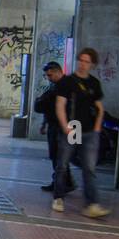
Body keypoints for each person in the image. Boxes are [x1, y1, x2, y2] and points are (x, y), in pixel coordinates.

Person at [52, 47, 110, 218]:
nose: (83, 64)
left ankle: (91, 204)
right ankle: (59, 197)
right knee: (63, 164)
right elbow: (60, 105)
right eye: (81, 60)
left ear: (92, 64)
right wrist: (65, 126)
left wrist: (98, 127)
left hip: (90, 131)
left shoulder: (94, 83)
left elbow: (100, 108)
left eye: (87, 62)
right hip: (73, 127)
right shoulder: (67, 81)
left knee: (89, 168)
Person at [34, 61, 74, 193]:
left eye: (50, 75)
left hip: (63, 127)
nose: (48, 78)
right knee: (57, 156)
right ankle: (63, 182)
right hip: (54, 125)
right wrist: (44, 123)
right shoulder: (53, 87)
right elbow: (47, 108)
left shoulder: (65, 86)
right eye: (47, 75)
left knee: (60, 157)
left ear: (58, 72)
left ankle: (61, 185)